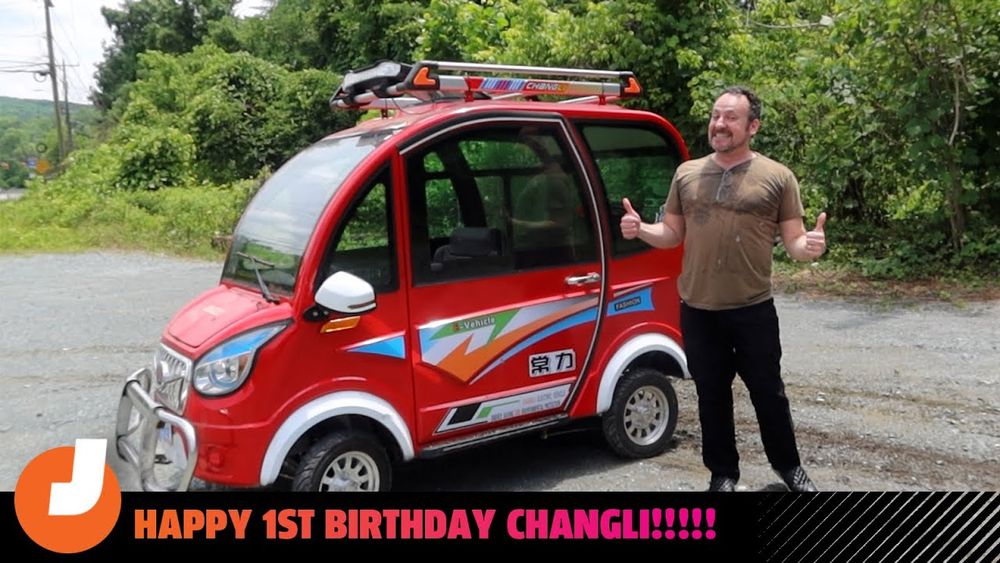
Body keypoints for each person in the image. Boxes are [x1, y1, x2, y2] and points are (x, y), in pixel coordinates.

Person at [620, 86, 826, 492]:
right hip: (697, 309)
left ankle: (789, 468)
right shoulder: (688, 173)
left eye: (731, 117)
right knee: (712, 396)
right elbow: (672, 233)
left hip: (752, 309)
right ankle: (723, 475)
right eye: (717, 115)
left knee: (769, 394)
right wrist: (641, 229)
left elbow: (795, 242)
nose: (720, 123)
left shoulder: (777, 177)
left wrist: (811, 248)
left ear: (753, 126)